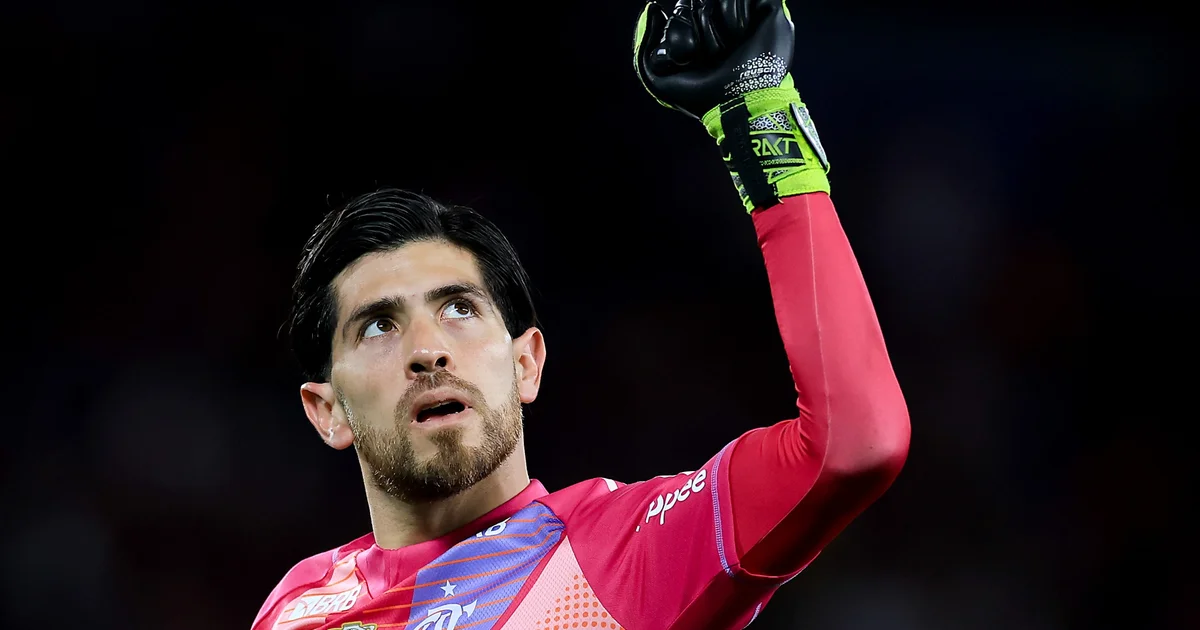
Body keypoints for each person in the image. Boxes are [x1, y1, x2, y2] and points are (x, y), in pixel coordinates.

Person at [252, 1, 910, 628]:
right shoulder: (296, 608)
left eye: (459, 308)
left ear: (527, 363)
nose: (428, 351)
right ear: (327, 410)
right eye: (378, 326)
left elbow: (854, 445)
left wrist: (756, 111)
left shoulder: (626, 555)